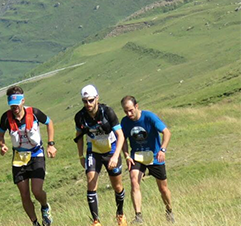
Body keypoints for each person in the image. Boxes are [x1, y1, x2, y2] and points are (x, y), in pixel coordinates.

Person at [0, 86, 56, 226]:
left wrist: (51, 144)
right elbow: (0, 136)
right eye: (12, 105)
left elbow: (49, 122)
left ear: (23, 101)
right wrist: (2, 145)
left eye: (16, 104)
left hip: (36, 154)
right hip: (19, 158)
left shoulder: (34, 113)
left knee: (36, 190)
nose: (14, 108)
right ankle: (35, 222)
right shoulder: (6, 118)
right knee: (24, 194)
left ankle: (45, 206)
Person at [74, 84, 127, 226]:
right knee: (91, 182)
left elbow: (120, 136)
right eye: (85, 101)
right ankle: (96, 221)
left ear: (97, 98)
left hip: (111, 150)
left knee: (117, 186)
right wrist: (80, 156)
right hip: (94, 151)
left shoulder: (107, 112)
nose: (88, 104)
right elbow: (78, 137)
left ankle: (120, 214)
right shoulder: (80, 117)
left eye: (91, 100)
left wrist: (116, 156)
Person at [119, 95, 174, 224]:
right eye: (125, 111)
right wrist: (127, 155)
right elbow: (123, 140)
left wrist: (163, 149)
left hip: (155, 156)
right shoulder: (125, 122)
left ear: (136, 106)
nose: (128, 113)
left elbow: (167, 132)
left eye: (131, 110)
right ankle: (138, 216)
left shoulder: (149, 117)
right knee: (134, 180)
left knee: (163, 188)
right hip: (137, 157)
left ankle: (169, 210)